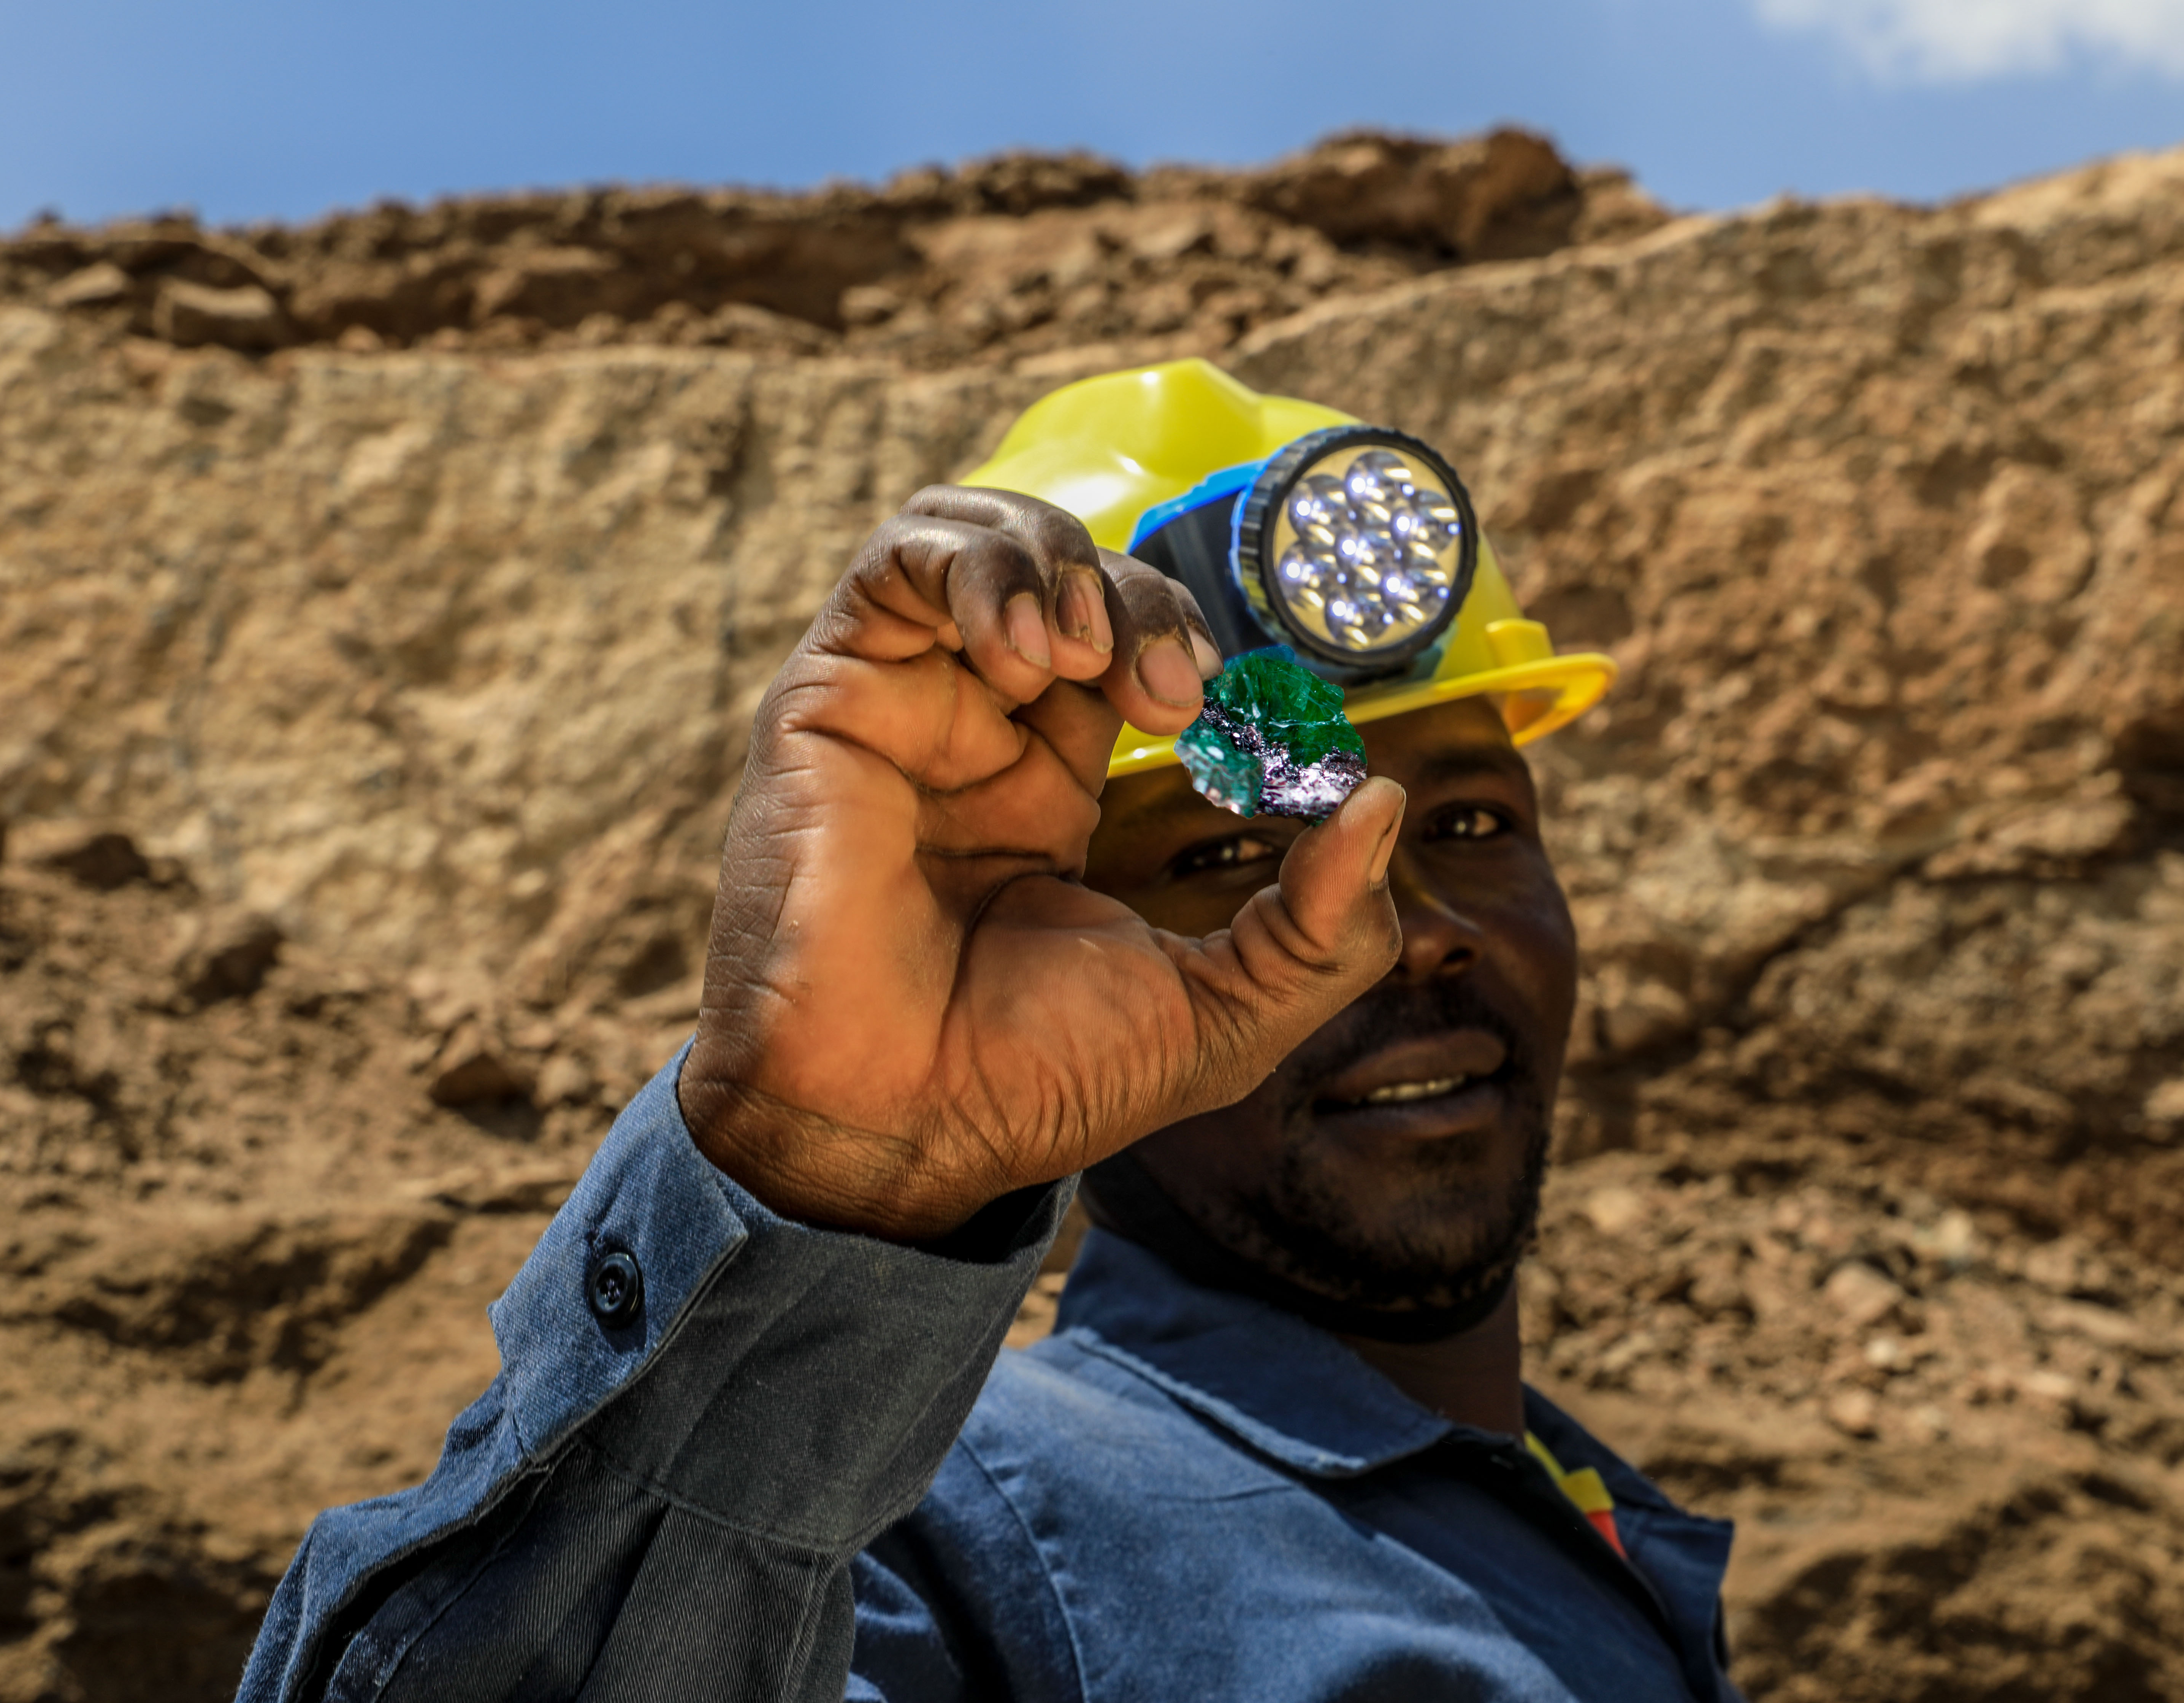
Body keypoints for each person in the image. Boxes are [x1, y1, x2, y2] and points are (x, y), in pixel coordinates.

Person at [237, 360, 1740, 1703]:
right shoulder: (913, 1541)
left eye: (1470, 818)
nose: (1396, 925)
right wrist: (823, 1169)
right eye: (1225, 854)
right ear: (1004, 940)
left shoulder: (1598, 1522)